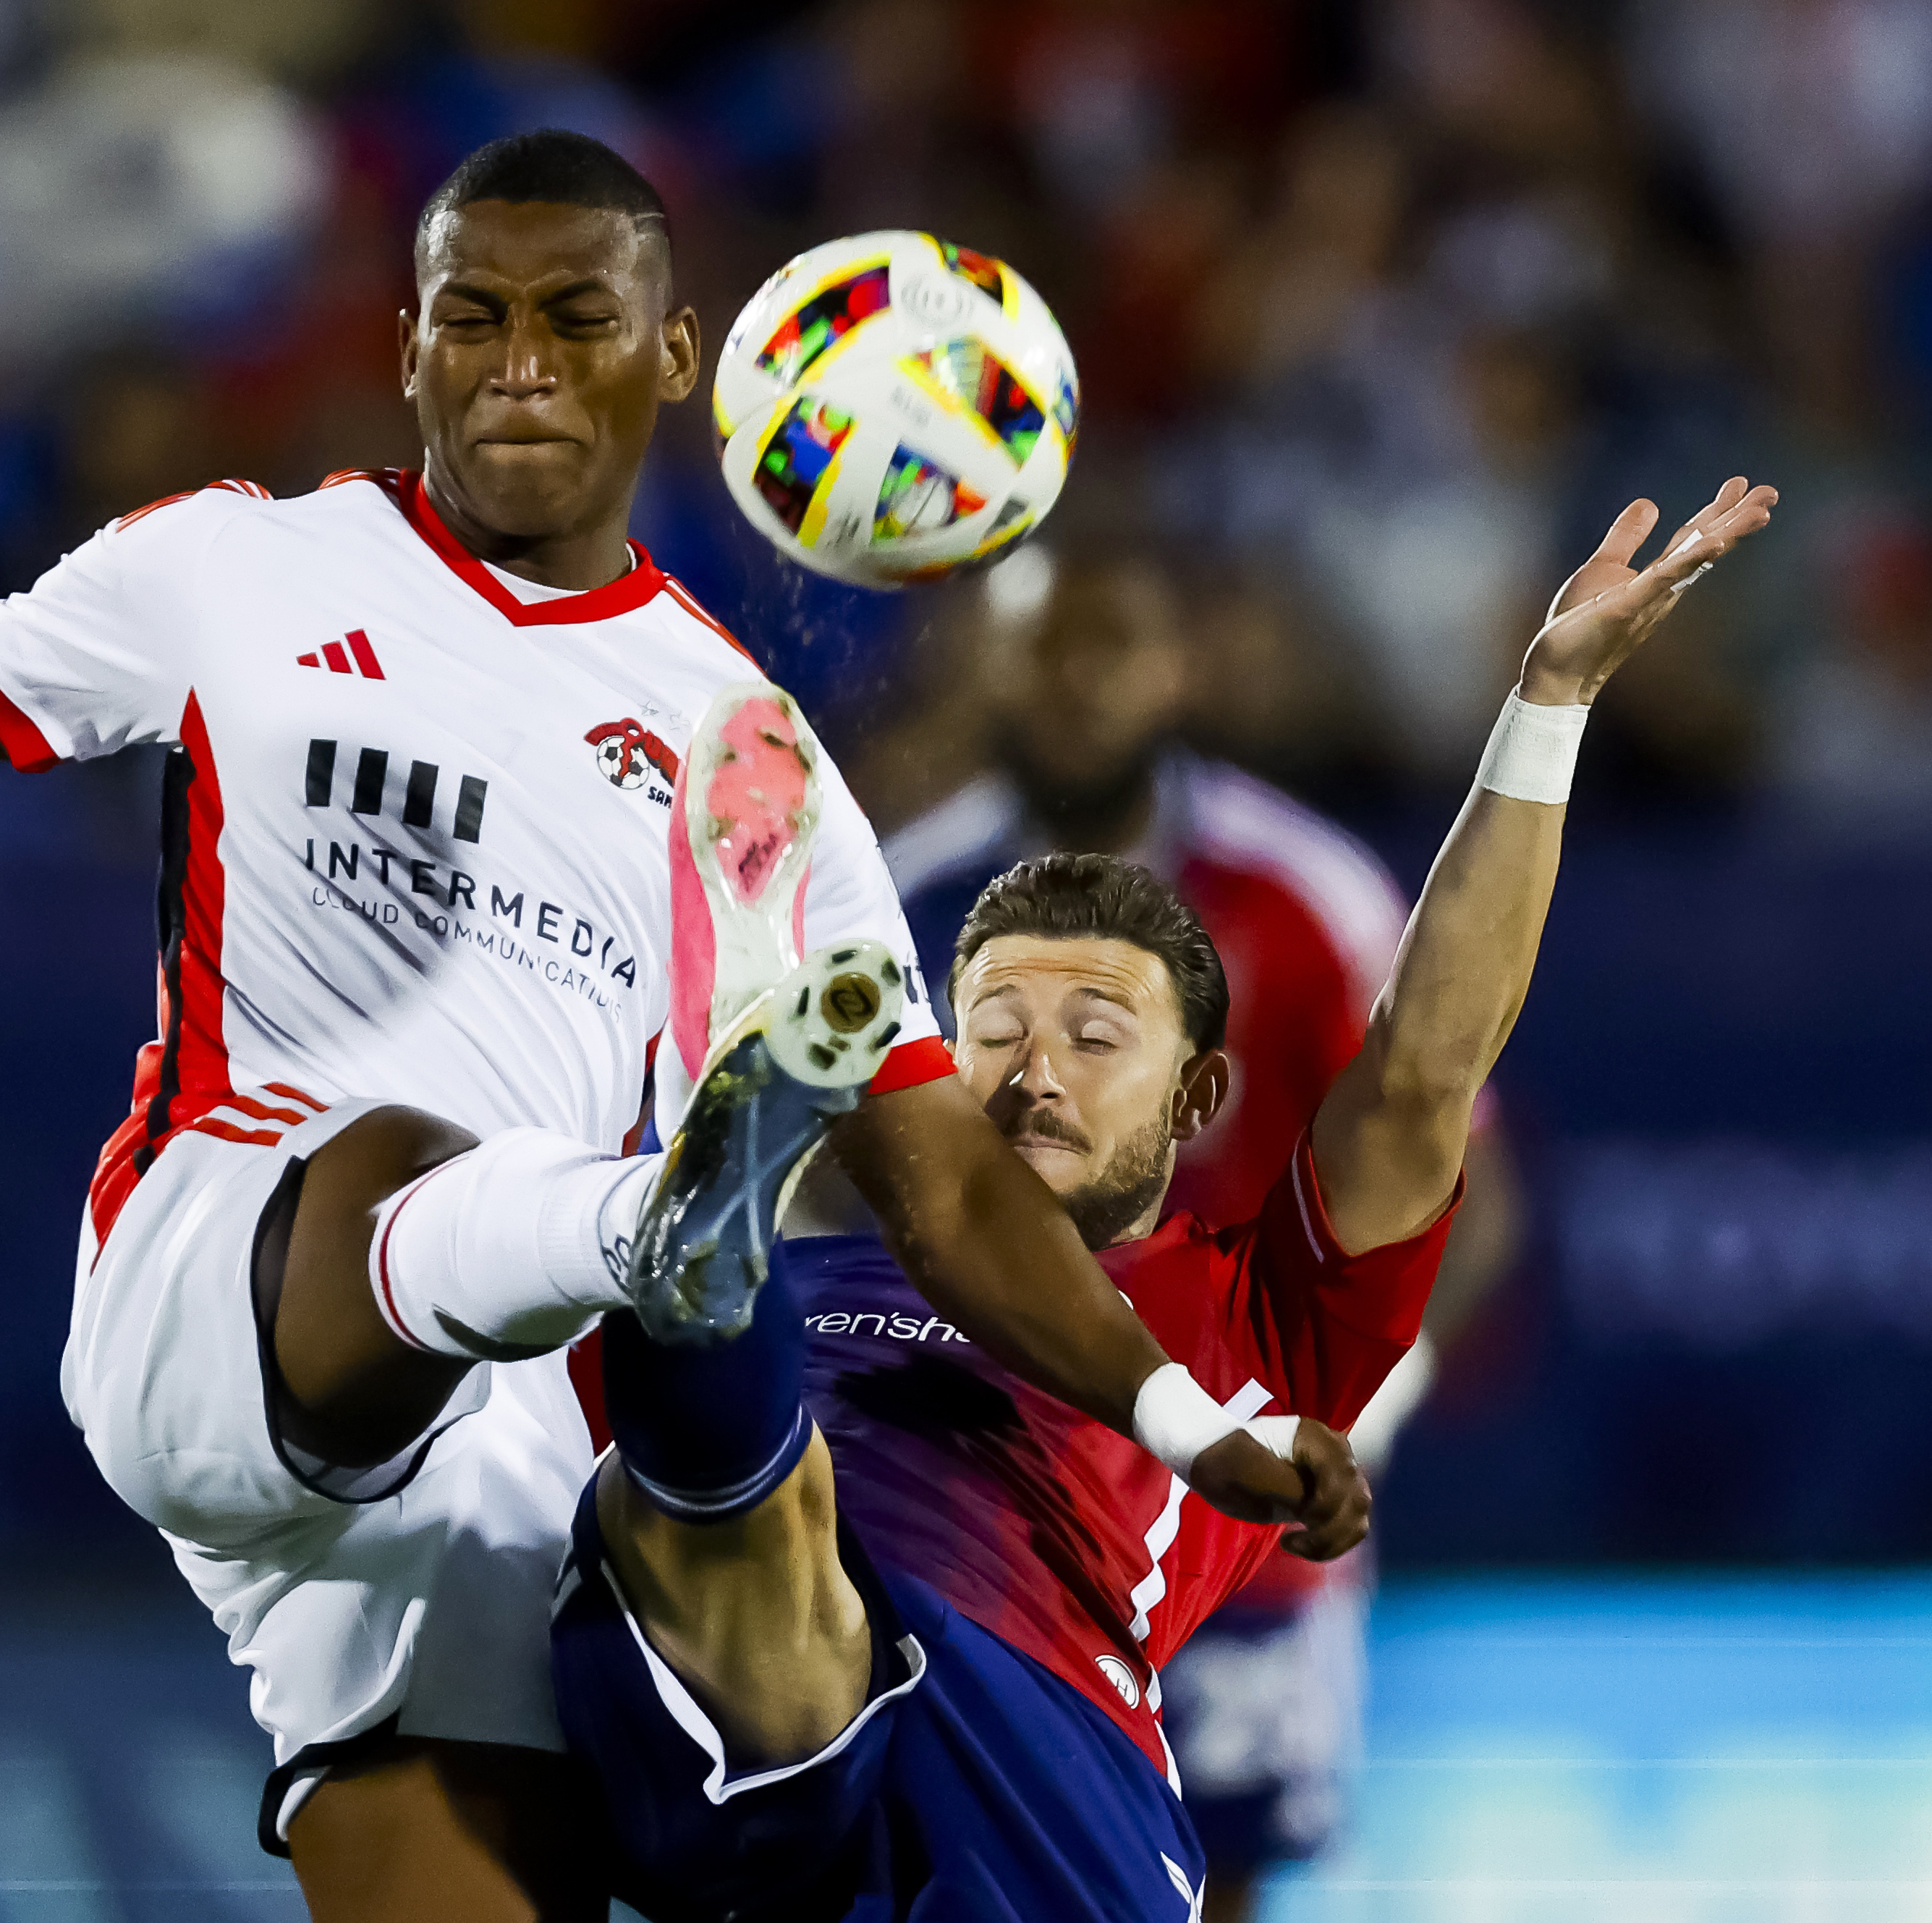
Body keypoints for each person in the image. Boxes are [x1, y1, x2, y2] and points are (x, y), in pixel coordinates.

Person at [0, 131, 1341, 1922]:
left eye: (574, 322)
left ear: (673, 362)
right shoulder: (239, 570)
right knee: (414, 1165)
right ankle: (661, 1233)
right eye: (473, 318)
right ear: (412, 341)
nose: (519, 367)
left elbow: (957, 1194)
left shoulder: (748, 752)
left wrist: (1187, 1425)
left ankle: (668, 1249)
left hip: (490, 1473)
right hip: (225, 1271)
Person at [549, 481, 1776, 1921]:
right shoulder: (835, 1257)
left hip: (1021, 1738)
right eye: (992, 1029)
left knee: (759, 1484)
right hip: (723, 1646)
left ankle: (709, 1282)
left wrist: (1549, 703)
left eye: (1094, 1034)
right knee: (720, 1472)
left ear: (1198, 1101)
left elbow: (1428, 1059)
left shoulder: (1253, 1325)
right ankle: (707, 1265)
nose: (1033, 1071)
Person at [874, 542, 1525, 1918]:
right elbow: (826, 1192)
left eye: (1110, 648)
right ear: (988, 662)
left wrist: (1367, 1407)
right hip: (981, 1485)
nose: (1074, 685)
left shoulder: (1300, 897)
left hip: (1232, 1477)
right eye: (1043, 647)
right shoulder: (888, 900)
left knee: (1215, 1882)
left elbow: (1454, 1172)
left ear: (1176, 664)